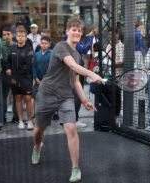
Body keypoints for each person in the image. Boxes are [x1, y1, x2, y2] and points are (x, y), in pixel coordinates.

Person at [32, 17, 104, 182]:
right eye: (73, 29)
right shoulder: (60, 46)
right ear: (67, 31)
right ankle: (37, 146)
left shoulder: (78, 55)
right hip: (46, 93)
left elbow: (75, 80)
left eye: (79, 30)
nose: (77, 32)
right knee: (38, 130)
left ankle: (75, 169)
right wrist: (92, 74)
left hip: (65, 97)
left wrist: (84, 100)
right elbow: (71, 65)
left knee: (71, 129)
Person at [6, 28, 34, 130]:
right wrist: (8, 68)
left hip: (25, 79)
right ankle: (21, 121)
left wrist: (16, 77)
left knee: (28, 99)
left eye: (22, 36)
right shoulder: (12, 48)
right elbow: (8, 61)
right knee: (17, 99)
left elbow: (28, 66)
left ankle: (30, 121)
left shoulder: (29, 50)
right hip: (14, 79)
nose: (20, 38)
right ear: (16, 37)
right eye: (19, 36)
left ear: (26, 37)